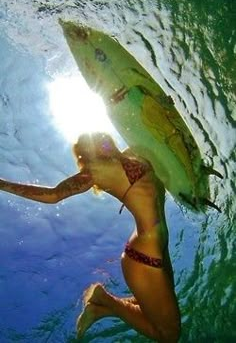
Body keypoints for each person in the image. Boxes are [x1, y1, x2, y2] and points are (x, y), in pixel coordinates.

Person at [0, 132, 181, 342]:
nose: (99, 140)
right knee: (169, 335)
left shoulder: (131, 155)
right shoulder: (95, 172)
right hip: (144, 255)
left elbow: (153, 137)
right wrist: (2, 184)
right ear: (86, 154)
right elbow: (52, 195)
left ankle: (100, 310)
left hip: (157, 246)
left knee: (157, 305)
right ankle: (103, 299)